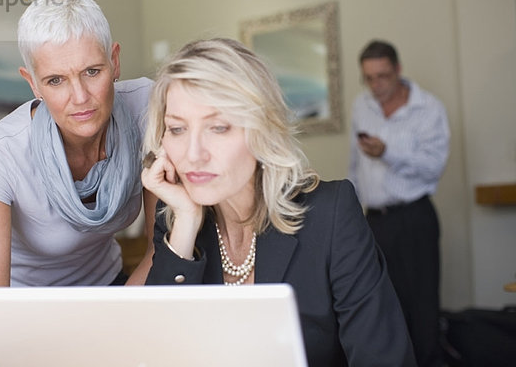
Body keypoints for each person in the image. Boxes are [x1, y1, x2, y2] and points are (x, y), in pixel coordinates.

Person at [141, 38, 416, 366]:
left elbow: (383, 358)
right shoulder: (174, 221)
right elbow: (159, 349)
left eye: (218, 127)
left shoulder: (330, 215)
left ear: (261, 129)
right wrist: (185, 221)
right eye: (177, 129)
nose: (193, 154)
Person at [0, 0, 156, 348]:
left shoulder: (148, 109)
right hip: (17, 316)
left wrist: (114, 325)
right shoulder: (0, 152)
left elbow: (165, 248)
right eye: (56, 80)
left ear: (114, 61)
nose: (80, 97)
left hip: (111, 293)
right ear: (32, 82)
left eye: (92, 71)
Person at [349, 40, 450, 367]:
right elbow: (355, 165)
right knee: (381, 304)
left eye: (383, 76)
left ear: (398, 70)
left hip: (415, 217)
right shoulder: (360, 106)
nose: (376, 85)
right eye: (369, 78)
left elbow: (434, 165)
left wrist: (388, 153)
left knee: (422, 305)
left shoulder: (429, 108)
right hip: (374, 220)